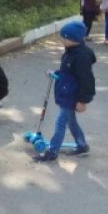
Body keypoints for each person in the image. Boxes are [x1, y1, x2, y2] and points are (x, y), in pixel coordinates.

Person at [35, 21, 94, 161]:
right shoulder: (71, 51)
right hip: (67, 93)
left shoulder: (81, 57)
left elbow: (87, 80)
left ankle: (52, 152)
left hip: (73, 95)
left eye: (63, 37)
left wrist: (83, 100)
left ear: (73, 39)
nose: (61, 39)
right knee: (71, 122)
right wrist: (56, 73)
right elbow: (67, 72)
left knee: (61, 122)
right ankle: (82, 145)